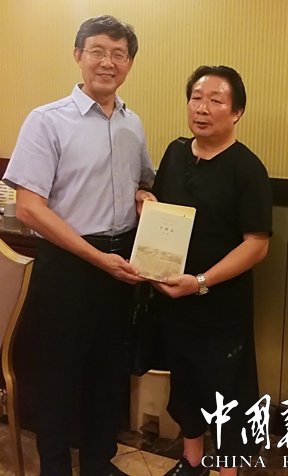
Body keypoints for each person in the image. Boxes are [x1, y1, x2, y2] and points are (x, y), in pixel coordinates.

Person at [3, 15, 155, 476]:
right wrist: (96, 259)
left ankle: (97, 462)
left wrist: (143, 197)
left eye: (118, 54)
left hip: (120, 262)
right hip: (68, 265)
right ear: (78, 55)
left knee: (108, 372)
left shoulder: (133, 123)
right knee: (58, 375)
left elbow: (142, 183)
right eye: (98, 51)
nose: (108, 62)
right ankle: (54, 467)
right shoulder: (47, 121)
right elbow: (30, 208)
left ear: (129, 63)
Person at [151, 66, 273, 476]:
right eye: (196, 98)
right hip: (174, 297)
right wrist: (144, 199)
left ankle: (227, 470)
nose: (202, 109)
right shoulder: (174, 153)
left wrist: (201, 282)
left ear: (237, 112)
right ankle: (191, 462)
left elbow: (257, 245)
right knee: (184, 382)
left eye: (216, 100)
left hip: (221, 304)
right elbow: (163, 213)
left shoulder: (247, 168)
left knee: (227, 394)